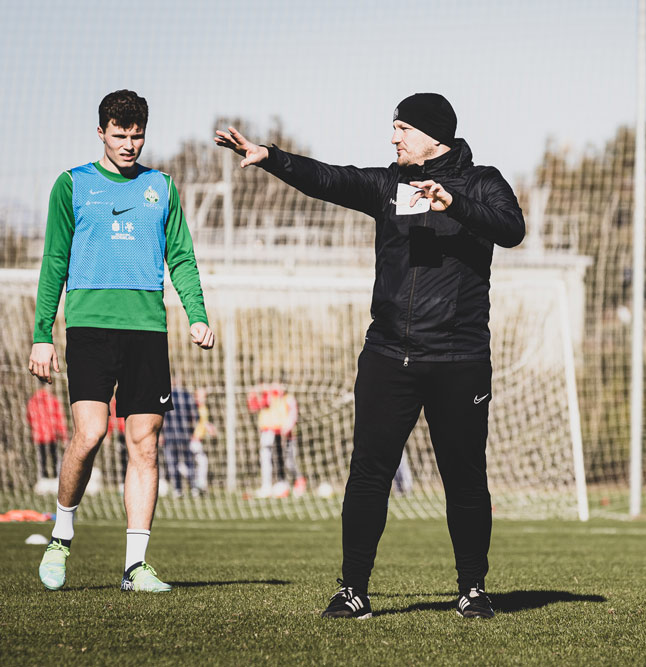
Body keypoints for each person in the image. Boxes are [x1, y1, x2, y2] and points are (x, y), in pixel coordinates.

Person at [216, 92, 524, 619]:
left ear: (433, 135)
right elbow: (330, 179)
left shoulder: (482, 182)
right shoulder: (387, 185)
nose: (393, 136)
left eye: (403, 128)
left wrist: (453, 203)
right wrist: (271, 157)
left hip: (459, 360)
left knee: (465, 479)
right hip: (387, 357)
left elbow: (512, 229)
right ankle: (353, 590)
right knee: (368, 474)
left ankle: (473, 588)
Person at [29, 89, 215, 593]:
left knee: (145, 444)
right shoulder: (72, 185)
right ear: (101, 133)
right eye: (119, 135)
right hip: (89, 327)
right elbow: (54, 262)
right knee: (90, 433)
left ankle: (135, 566)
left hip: (147, 330)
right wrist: (42, 334)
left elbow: (181, 257)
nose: (129, 144)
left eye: (137, 136)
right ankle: (61, 536)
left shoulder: (162, 187)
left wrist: (197, 315)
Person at [247, 383, 303, 498]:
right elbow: (254, 406)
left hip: (284, 434)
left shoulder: (287, 399)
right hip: (270, 432)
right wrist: (253, 393)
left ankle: (296, 482)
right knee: (268, 459)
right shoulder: (269, 396)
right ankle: (272, 485)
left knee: (288, 462)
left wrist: (286, 429)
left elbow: (292, 415)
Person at [27, 379, 68, 489]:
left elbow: (29, 417)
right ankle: (55, 480)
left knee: (42, 459)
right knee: (54, 458)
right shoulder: (52, 400)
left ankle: (43, 480)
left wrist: (34, 430)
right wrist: (63, 436)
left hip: (39, 435)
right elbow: (60, 418)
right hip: (52, 434)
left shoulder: (33, 400)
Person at [162, 381, 197, 498]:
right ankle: (193, 488)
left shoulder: (165, 395)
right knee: (188, 462)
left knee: (173, 462)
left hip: (170, 435)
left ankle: (178, 489)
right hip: (184, 434)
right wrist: (192, 431)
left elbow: (162, 416)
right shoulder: (187, 395)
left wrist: (161, 433)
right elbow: (194, 415)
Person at [188, 387, 215, 496]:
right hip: (193, 440)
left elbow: (204, 422)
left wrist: (210, 427)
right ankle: (198, 485)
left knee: (201, 462)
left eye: (205, 396)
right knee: (199, 462)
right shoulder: (193, 407)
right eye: (202, 396)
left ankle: (198, 486)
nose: (204, 398)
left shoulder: (203, 408)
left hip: (198, 440)